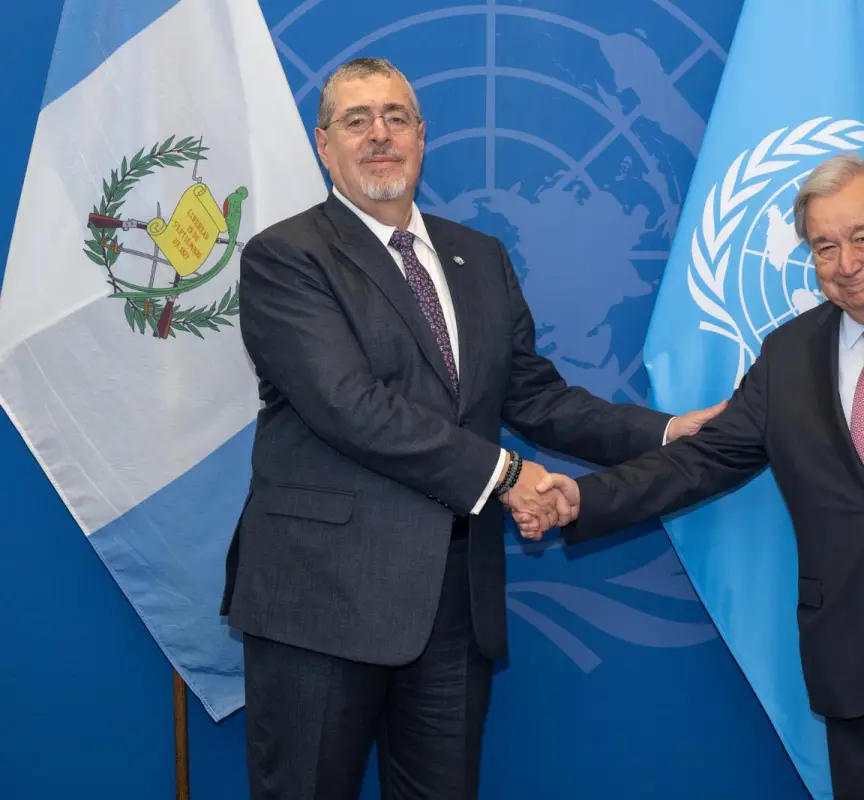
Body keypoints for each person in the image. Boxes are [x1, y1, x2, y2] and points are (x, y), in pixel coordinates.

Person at [219, 57, 722, 800]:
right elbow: (350, 406)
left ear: (423, 137)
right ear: (324, 146)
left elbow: (534, 395)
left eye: (395, 117)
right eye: (356, 121)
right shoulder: (286, 258)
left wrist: (665, 432)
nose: (378, 135)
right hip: (320, 605)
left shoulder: (478, 256)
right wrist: (511, 477)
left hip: (455, 603)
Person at [524, 154, 864, 799]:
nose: (847, 265)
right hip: (854, 667)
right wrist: (582, 497)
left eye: (863, 237)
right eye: (825, 247)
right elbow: (703, 460)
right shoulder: (788, 353)